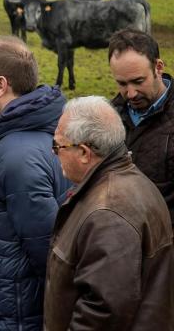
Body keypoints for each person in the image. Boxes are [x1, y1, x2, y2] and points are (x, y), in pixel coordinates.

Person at [0, 36, 71, 330]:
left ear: (0, 85)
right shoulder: (25, 137)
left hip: (10, 313)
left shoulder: (19, 157)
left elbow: (48, 252)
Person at [45, 96, 174, 330]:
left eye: (58, 146)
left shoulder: (107, 213)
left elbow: (102, 313)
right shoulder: (132, 180)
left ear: (84, 152)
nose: (54, 154)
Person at [108, 28, 174, 225]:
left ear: (158, 67)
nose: (130, 94)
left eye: (138, 81)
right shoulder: (108, 117)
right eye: (121, 83)